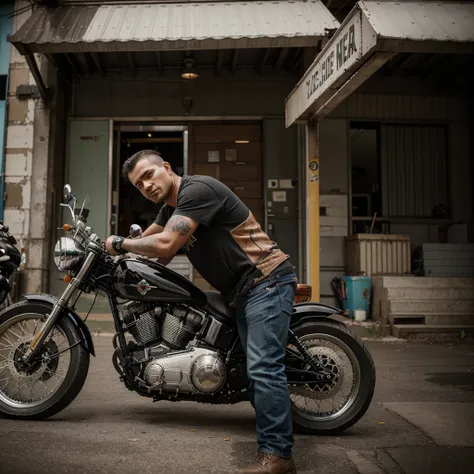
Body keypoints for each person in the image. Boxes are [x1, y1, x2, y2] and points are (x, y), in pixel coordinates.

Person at [106, 150, 297, 474]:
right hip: (242, 290)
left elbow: (165, 245)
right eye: (139, 185)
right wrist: (114, 255)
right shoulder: (171, 210)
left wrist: (121, 243)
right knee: (253, 368)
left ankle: (278, 457)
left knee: (264, 367)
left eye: (149, 175)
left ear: (166, 167)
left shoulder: (195, 191)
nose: (146, 185)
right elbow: (154, 245)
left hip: (265, 281)